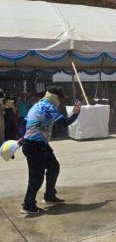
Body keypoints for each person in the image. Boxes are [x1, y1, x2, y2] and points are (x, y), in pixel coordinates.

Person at [21, 86, 81, 215]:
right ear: (55, 97)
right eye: (60, 98)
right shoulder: (49, 107)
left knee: (53, 166)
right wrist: (76, 114)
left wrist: (23, 137)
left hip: (35, 143)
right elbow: (64, 122)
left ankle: (49, 195)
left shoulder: (37, 105)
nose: (61, 101)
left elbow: (23, 123)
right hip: (35, 145)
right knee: (36, 176)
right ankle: (28, 204)